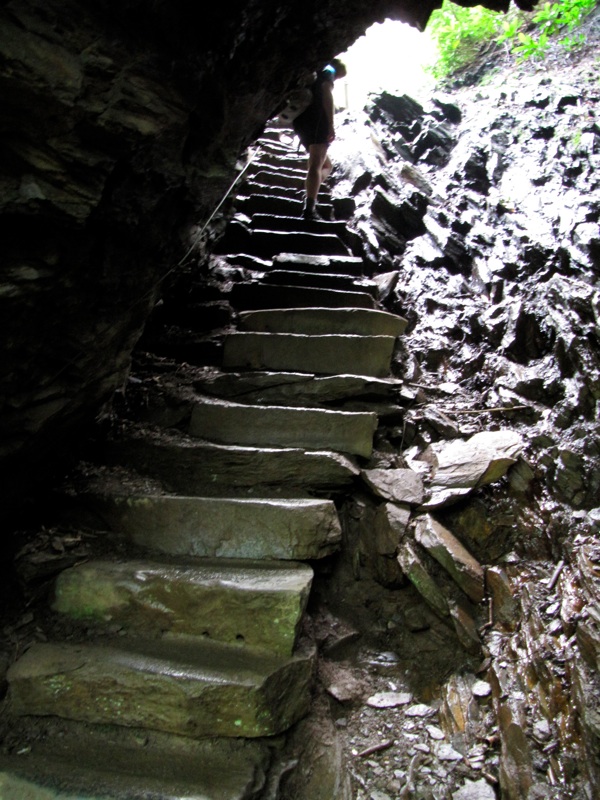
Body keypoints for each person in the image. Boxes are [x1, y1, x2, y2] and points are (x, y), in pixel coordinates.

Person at [292, 58, 347, 221]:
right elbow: (326, 93)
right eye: (338, 77)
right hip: (316, 119)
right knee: (317, 165)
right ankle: (309, 209)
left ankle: (309, 189)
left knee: (326, 165)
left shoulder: (315, 72)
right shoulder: (329, 70)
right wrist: (330, 124)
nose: (336, 80)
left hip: (301, 121)